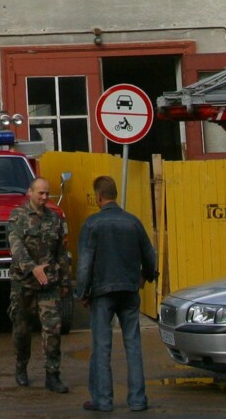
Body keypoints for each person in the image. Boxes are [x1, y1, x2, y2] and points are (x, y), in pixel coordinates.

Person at [75, 174, 158, 413]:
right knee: (133, 344)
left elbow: (84, 264)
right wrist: (147, 276)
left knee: (102, 346)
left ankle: (102, 401)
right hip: (130, 290)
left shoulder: (92, 224)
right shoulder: (133, 222)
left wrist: (82, 291)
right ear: (115, 196)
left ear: (99, 196)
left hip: (102, 292)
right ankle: (138, 400)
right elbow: (149, 256)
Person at [7, 175, 69, 393]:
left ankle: (53, 374)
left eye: (47, 193)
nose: (44, 197)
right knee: (22, 330)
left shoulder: (54, 219)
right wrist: (32, 267)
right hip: (24, 283)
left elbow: (61, 251)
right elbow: (15, 247)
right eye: (40, 193)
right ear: (30, 193)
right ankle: (21, 366)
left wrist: (65, 281)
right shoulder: (18, 217)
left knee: (53, 329)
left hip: (49, 284)